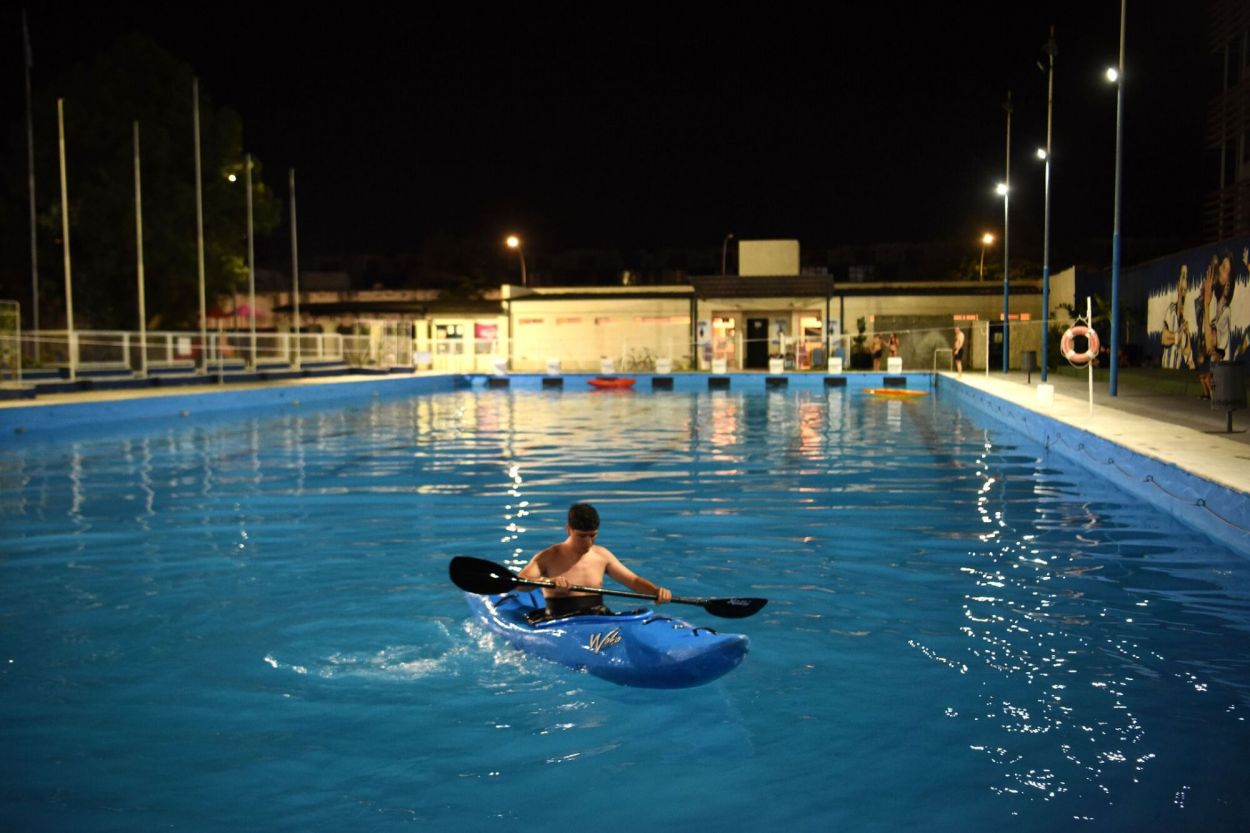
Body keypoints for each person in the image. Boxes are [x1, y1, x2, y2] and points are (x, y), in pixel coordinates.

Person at [518, 503, 671, 620]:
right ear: (569, 529)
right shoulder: (549, 556)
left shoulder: (601, 555)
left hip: (599, 618)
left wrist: (655, 592)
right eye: (582, 536)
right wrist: (547, 581)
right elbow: (520, 584)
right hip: (561, 621)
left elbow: (633, 581)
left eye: (592, 535)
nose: (588, 542)